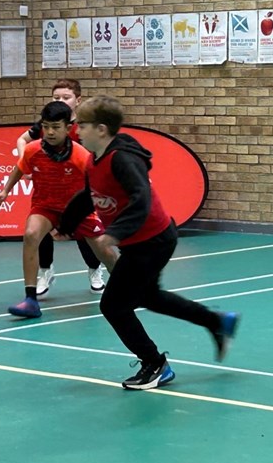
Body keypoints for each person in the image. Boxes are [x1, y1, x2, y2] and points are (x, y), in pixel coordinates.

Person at [58, 95, 239, 390]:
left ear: (101, 129)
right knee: (149, 297)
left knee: (113, 306)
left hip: (152, 239)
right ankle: (218, 322)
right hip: (141, 240)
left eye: (82, 124)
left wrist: (114, 232)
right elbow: (89, 194)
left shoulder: (123, 159)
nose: (76, 129)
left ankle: (155, 364)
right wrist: (65, 225)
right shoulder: (94, 158)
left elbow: (141, 199)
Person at [0, 101, 106, 319]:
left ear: (68, 128)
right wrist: (5, 191)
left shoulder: (81, 155)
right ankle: (30, 300)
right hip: (45, 206)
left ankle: (129, 286)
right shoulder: (33, 150)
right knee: (31, 234)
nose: (50, 132)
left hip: (76, 208)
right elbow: (18, 170)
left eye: (56, 127)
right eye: (46, 127)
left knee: (105, 251)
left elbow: (97, 181)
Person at [14, 79, 108, 295]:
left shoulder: (85, 126)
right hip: (48, 192)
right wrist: (25, 164)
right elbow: (22, 140)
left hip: (79, 192)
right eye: (56, 97)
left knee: (84, 234)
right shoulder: (45, 126)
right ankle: (45, 273)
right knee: (39, 233)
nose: (61, 101)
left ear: (78, 100)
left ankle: (95, 270)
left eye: (66, 97)